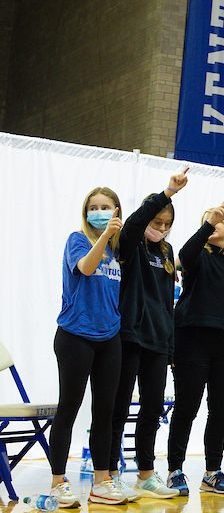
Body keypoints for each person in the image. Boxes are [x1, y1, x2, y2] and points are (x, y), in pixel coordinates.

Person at [46, 179, 180, 507]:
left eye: (105, 207)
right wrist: (106, 234)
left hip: (109, 338)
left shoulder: (120, 250)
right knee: (69, 408)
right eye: (93, 208)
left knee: (104, 412)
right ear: (85, 213)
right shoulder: (78, 240)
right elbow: (87, 268)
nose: (99, 212)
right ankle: (58, 483)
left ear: (116, 212)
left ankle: (102, 482)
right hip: (75, 336)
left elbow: (136, 225)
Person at [107, 168, 193, 500]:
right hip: (129, 335)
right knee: (119, 405)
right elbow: (132, 225)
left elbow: (166, 303)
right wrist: (168, 193)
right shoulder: (128, 244)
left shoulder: (168, 253)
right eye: (156, 222)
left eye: (166, 224)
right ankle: (111, 471)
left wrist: (171, 348)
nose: (160, 228)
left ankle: (145, 472)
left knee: (153, 407)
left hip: (158, 339)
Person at [167, 198, 224, 496]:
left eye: (218, 222)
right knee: (187, 407)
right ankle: (175, 470)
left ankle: (212, 471)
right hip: (192, 339)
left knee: (221, 410)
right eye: (207, 222)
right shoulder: (199, 255)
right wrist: (210, 222)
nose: (212, 226)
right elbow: (184, 254)